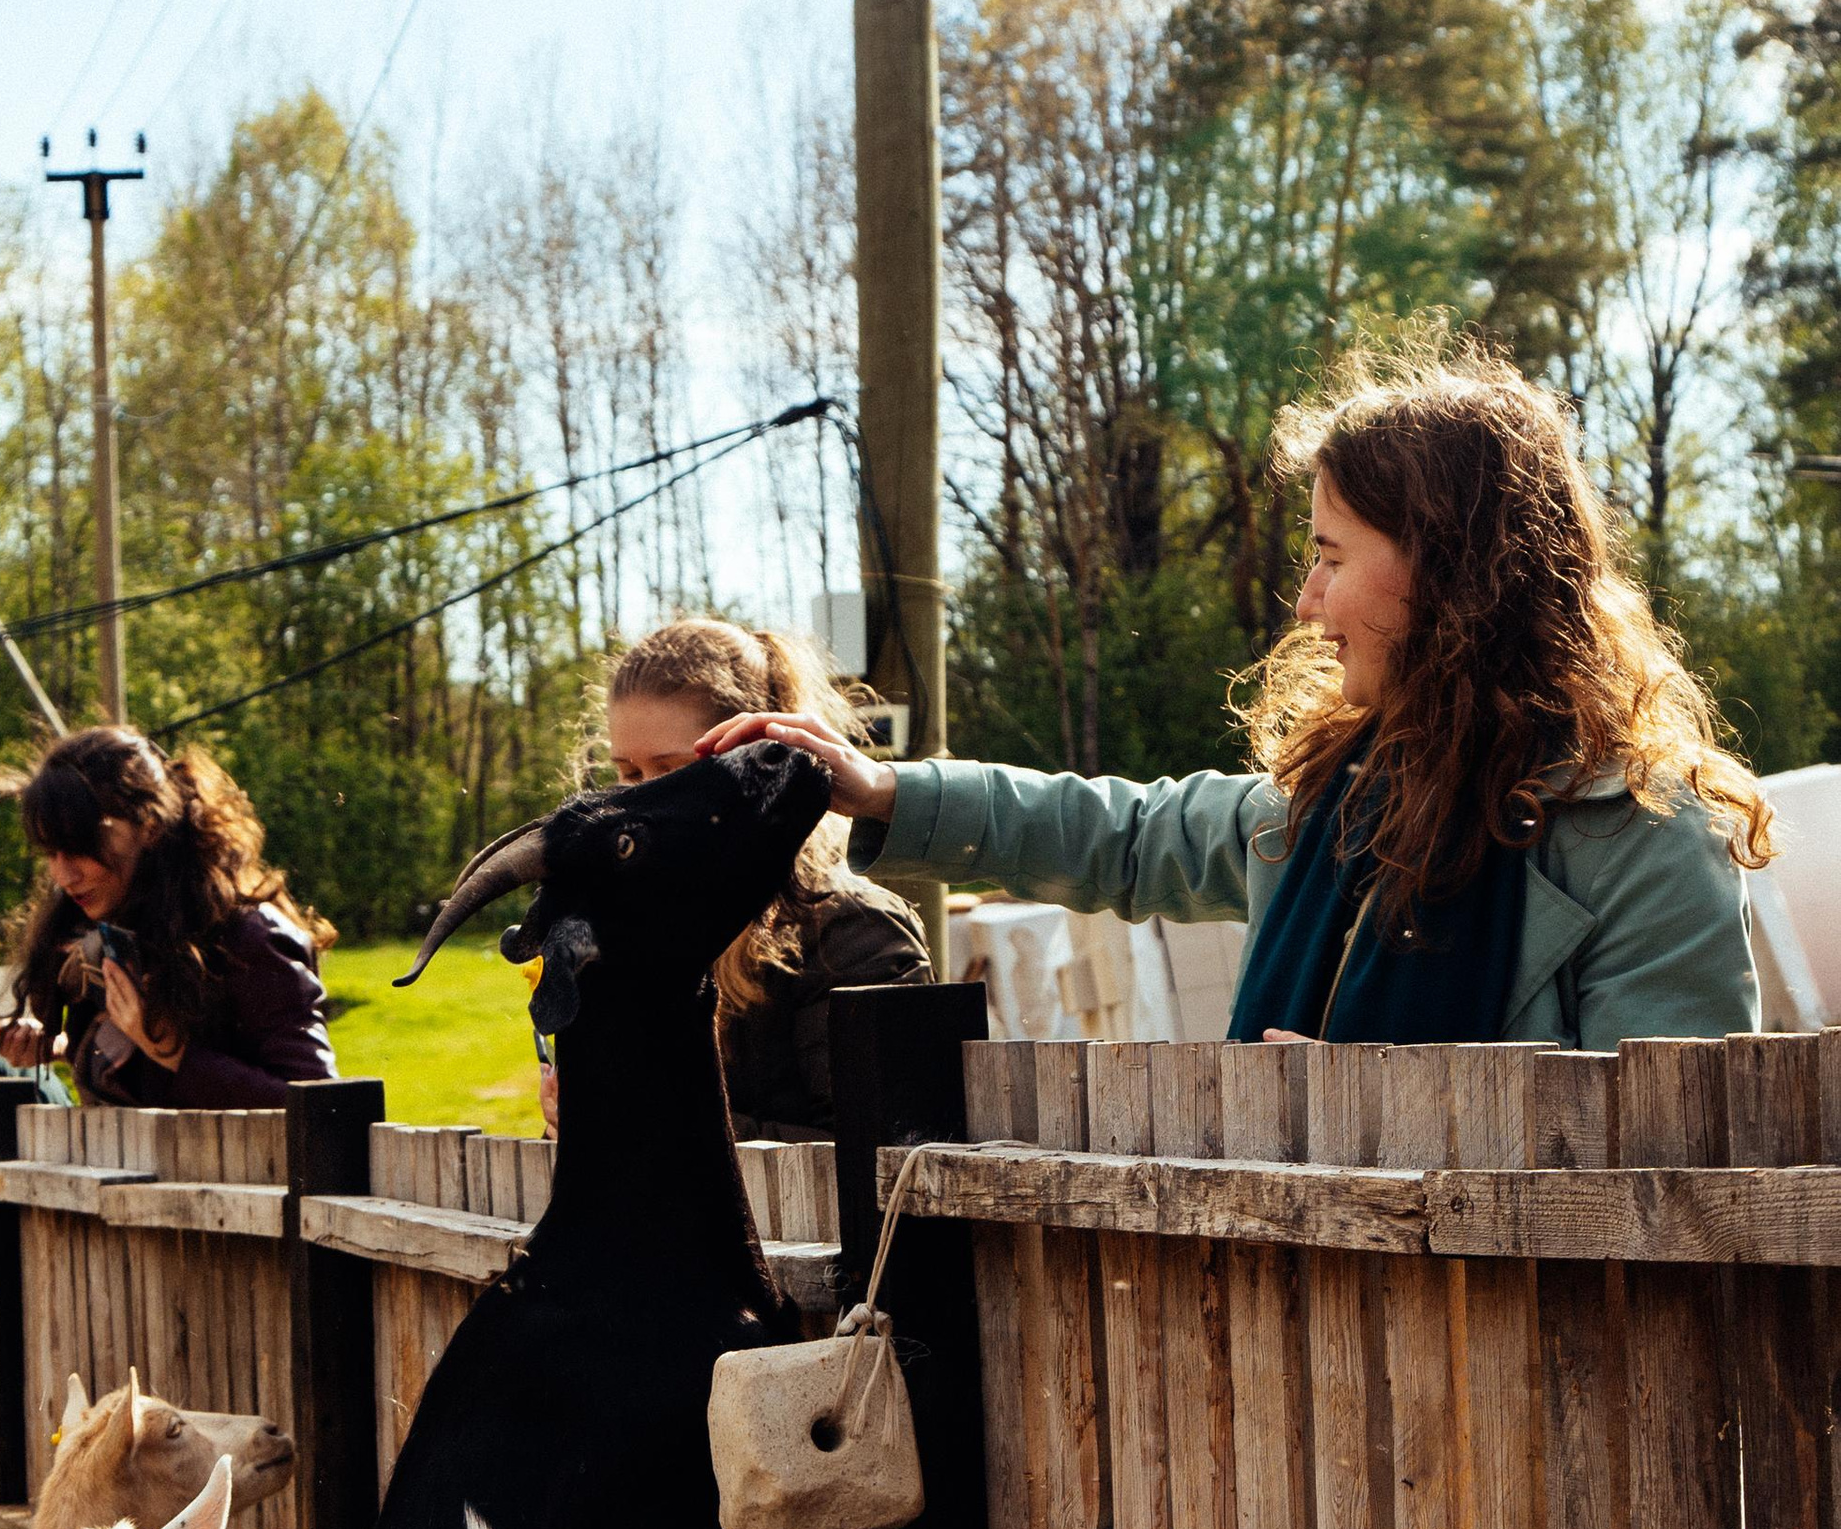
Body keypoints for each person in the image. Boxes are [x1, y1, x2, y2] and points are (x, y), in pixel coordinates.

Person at [700, 354, 1773, 1052]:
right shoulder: (1332, 805)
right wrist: (880, 790)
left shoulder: (1646, 842)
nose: (1306, 602)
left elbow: (1672, 1161)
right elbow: (1117, 835)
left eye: (1330, 555)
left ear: (1452, 573)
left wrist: (1383, 1123)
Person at [584, 619, 931, 1137]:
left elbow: (886, 1165)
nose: (642, 800)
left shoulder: (855, 933)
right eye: (630, 774)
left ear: (754, 755)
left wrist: (643, 1124)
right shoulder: (635, 931)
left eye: (671, 770)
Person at [0, 726, 339, 1106]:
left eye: (80, 847)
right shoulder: (96, 942)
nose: (63, 876)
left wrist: (172, 1051)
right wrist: (58, 1045)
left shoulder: (251, 939)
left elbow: (323, 1108)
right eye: (51, 853)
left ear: (150, 827)